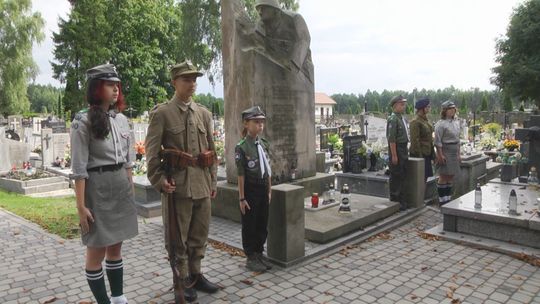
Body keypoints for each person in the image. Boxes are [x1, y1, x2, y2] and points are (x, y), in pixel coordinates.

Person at [145, 60, 219, 302]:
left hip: (202, 184)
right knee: (179, 239)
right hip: (178, 186)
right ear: (174, 82)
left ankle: (196, 275)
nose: (192, 83)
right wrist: (159, 181)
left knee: (199, 235)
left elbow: (211, 151)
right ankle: (182, 278)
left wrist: (213, 181)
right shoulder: (162, 114)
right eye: (186, 79)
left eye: (194, 79)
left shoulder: (204, 113)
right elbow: (152, 152)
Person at [70, 64, 138, 304]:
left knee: (116, 248)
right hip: (97, 190)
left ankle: (119, 298)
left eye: (117, 85)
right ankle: (103, 302)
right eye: (110, 85)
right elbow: (78, 170)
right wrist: (80, 206)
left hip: (120, 188)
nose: (116, 89)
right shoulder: (83, 121)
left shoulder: (121, 119)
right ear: (97, 88)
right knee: (96, 251)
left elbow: (128, 162)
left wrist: (130, 188)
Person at [235, 106, 273, 273]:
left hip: (263, 187)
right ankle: (251, 256)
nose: (260, 125)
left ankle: (259, 252)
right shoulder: (242, 147)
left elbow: (268, 169)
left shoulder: (263, 144)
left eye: (262, 122)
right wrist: (242, 198)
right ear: (246, 123)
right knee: (250, 224)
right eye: (256, 122)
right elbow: (241, 174)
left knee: (262, 222)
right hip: (250, 189)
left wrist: (269, 190)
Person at [434, 100, 462, 205]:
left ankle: (448, 199)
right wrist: (440, 155)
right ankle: (442, 200)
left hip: (454, 151)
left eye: (453, 108)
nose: (452, 110)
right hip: (445, 150)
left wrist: (459, 154)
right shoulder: (440, 124)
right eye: (450, 109)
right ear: (445, 111)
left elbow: (458, 139)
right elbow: (437, 141)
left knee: (451, 175)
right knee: (443, 176)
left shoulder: (456, 122)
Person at [386, 95, 410, 211]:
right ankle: (395, 200)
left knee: (403, 174)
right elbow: (392, 139)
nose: (404, 106)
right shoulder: (393, 119)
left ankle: (402, 200)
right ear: (395, 105)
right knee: (396, 174)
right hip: (397, 149)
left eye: (404, 104)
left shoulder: (401, 118)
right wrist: (394, 155)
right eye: (401, 104)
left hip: (403, 148)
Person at [409, 97, 435, 181]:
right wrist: (420, 158)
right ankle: (420, 194)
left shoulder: (425, 120)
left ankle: (424, 194)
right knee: (420, 180)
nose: (429, 108)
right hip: (420, 155)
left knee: (426, 178)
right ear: (422, 109)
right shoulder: (415, 121)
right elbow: (415, 141)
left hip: (427, 154)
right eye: (427, 107)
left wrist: (433, 155)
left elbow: (429, 139)